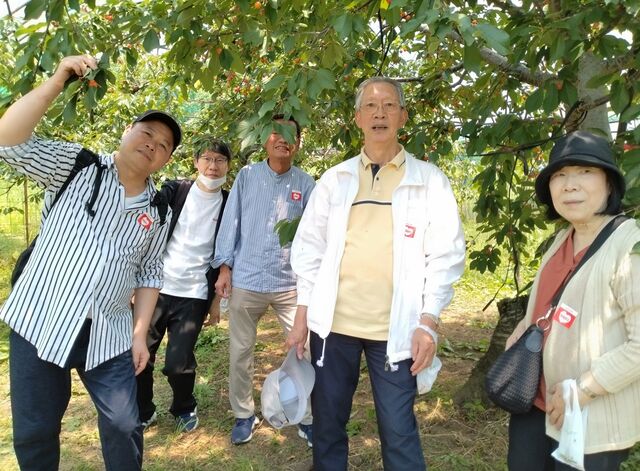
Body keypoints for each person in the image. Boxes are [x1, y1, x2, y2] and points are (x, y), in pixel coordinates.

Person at [0, 55, 181, 470]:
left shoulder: (158, 209)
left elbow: (150, 271)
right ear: (127, 131)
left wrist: (140, 335)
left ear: (166, 159)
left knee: (124, 424)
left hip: (108, 331)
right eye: (147, 133)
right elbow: (8, 141)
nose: (153, 144)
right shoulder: (77, 167)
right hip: (40, 319)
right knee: (35, 430)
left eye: (163, 144)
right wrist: (58, 79)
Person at [286, 76, 466, 470]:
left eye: (388, 105)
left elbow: (446, 255)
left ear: (403, 116)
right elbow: (309, 250)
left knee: (399, 430)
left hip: (397, 331)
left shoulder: (429, 181)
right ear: (357, 118)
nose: (379, 113)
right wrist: (302, 316)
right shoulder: (336, 179)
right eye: (370, 105)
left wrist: (429, 322)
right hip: (333, 327)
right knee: (328, 424)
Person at [505, 131, 640, 470]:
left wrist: (583, 389)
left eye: (585, 171)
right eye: (560, 175)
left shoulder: (629, 247)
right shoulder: (562, 239)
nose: (569, 185)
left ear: (609, 184)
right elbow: (548, 306)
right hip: (536, 404)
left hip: (590, 415)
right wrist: (522, 328)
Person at [213, 114, 315, 445]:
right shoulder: (247, 176)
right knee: (240, 353)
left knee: (303, 350)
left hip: (290, 285)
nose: (283, 139)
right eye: (276, 133)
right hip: (248, 278)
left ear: (298, 143)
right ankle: (244, 414)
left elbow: (315, 237)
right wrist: (224, 267)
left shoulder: (306, 184)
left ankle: (306, 416)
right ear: (265, 140)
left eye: (290, 134)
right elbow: (231, 221)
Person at [136, 138, 231, 433]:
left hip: (194, 293)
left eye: (220, 160)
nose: (213, 166)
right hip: (156, 288)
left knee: (178, 362)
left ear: (228, 166)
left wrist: (216, 302)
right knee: (140, 354)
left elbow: (228, 252)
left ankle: (184, 406)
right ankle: (143, 409)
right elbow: (145, 214)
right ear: (196, 162)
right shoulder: (176, 190)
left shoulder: (229, 202)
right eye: (207, 158)